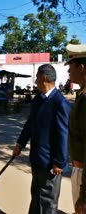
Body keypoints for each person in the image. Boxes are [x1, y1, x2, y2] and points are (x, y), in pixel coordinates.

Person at [12, 64, 71, 214]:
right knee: (36, 196)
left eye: (37, 77)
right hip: (37, 159)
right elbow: (30, 124)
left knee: (48, 202)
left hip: (51, 164)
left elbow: (63, 135)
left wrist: (59, 161)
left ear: (44, 78)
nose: (35, 80)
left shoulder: (60, 103)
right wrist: (20, 143)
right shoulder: (38, 99)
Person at [64, 43, 86, 213]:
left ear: (82, 68)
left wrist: (84, 195)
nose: (68, 72)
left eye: (70, 67)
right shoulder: (82, 95)